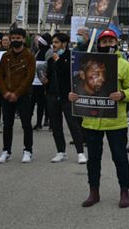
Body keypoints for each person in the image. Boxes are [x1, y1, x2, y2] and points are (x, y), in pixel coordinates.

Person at [70, 29, 129, 209]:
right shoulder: (87, 64)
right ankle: (94, 191)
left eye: (111, 41)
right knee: (93, 159)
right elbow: (79, 88)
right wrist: (74, 96)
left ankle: (124, 190)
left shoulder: (123, 64)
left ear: (116, 43)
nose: (108, 45)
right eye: (104, 42)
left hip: (116, 121)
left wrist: (123, 94)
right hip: (92, 120)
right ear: (98, 44)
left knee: (120, 157)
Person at [0, 27, 36, 164]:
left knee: (26, 124)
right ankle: (6, 150)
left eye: (18, 38)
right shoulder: (6, 56)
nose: (15, 41)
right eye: (13, 38)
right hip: (7, 94)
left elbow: (29, 77)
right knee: (8, 124)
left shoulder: (29, 56)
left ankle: (27, 150)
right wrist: (5, 92)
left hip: (23, 95)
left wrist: (17, 93)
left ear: (24, 39)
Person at [45, 32, 86, 164]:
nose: (54, 45)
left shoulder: (72, 57)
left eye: (56, 42)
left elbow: (69, 74)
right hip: (52, 95)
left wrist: (58, 60)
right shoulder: (51, 59)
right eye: (53, 43)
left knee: (73, 125)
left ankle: (80, 152)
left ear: (64, 43)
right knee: (56, 125)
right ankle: (60, 151)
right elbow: (50, 75)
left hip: (67, 96)